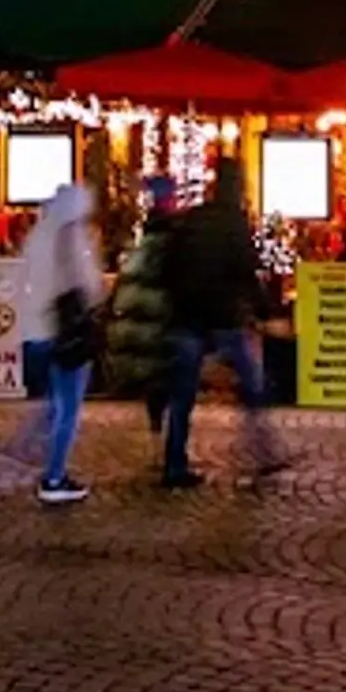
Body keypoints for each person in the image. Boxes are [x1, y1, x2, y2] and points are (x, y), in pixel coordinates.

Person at [158, 158, 289, 489]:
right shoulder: (234, 223)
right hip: (222, 318)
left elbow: (167, 265)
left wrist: (175, 301)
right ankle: (263, 452)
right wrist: (267, 313)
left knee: (183, 395)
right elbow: (247, 272)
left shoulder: (192, 218)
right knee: (252, 385)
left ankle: (174, 464)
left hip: (187, 317)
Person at [13, 179, 107, 505]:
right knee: (67, 407)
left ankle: (24, 451)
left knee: (54, 403)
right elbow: (90, 284)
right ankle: (53, 476)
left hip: (35, 331)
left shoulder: (37, 233)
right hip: (66, 332)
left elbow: (24, 281)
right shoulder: (72, 237)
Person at [104, 175, 183, 432]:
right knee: (167, 380)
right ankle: (168, 444)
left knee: (155, 383)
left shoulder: (140, 251)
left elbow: (126, 287)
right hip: (161, 321)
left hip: (145, 325)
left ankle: (156, 434)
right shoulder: (169, 247)